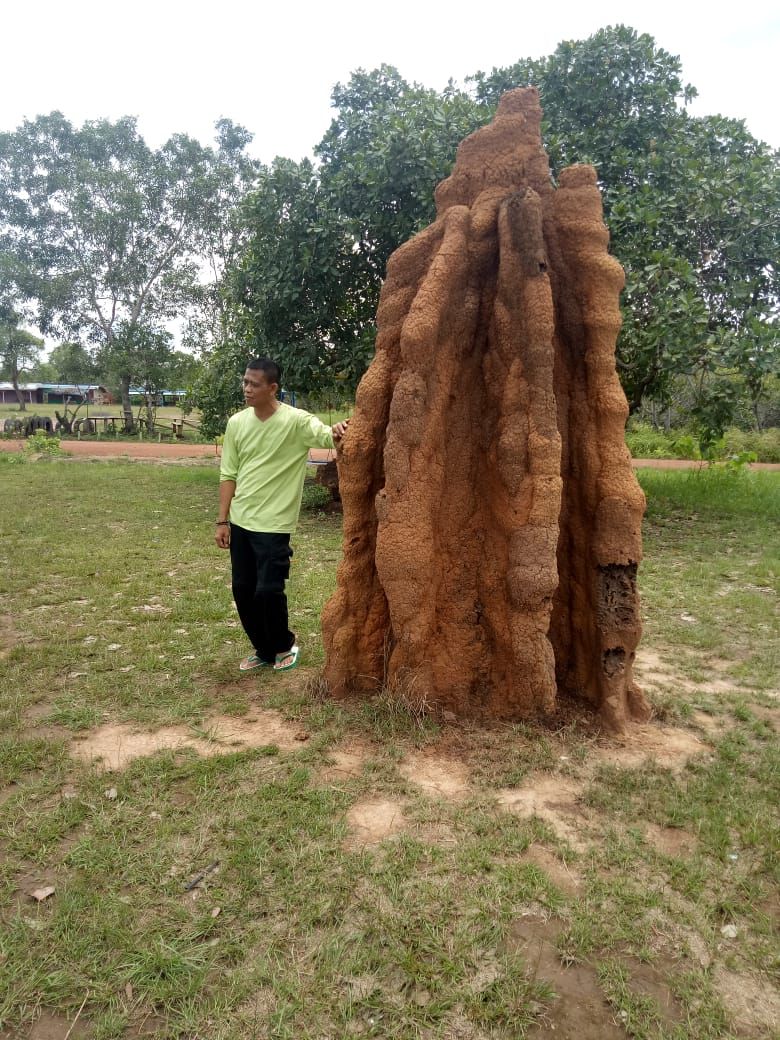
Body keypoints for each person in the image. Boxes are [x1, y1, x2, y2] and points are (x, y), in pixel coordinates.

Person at [215, 357, 349, 672]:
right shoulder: (237, 423)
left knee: (268, 589)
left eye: (254, 384)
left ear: (273, 388)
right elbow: (228, 474)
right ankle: (263, 649)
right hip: (241, 519)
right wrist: (222, 520)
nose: (247, 388)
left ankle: (283, 644)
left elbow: (328, 435)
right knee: (242, 589)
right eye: (245, 381)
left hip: (274, 524)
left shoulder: (297, 421)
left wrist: (340, 429)